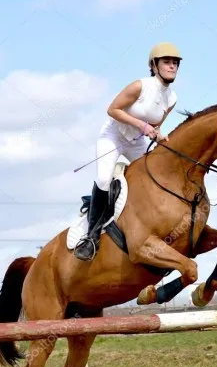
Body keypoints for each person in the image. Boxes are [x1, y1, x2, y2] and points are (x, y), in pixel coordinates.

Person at [74, 42, 182, 261]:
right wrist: (143, 127)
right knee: (104, 179)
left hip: (136, 143)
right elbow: (112, 109)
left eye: (175, 63)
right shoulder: (139, 86)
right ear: (154, 65)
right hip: (113, 136)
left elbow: (157, 124)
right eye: (167, 62)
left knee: (153, 180)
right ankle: (91, 236)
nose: (172, 67)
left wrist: (159, 134)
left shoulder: (172, 98)